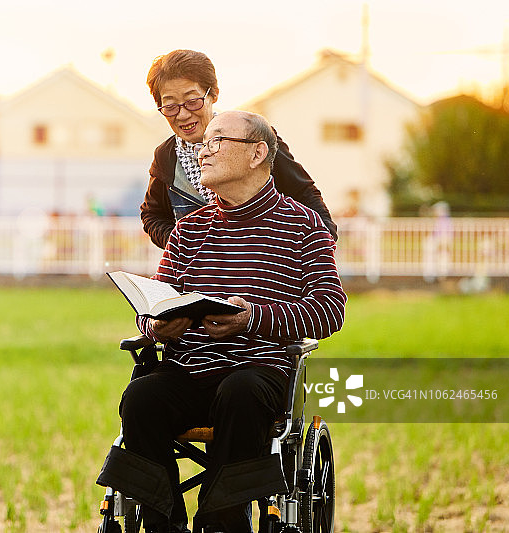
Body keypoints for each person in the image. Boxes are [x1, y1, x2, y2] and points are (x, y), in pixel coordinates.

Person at [117, 111, 346, 532]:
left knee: (240, 391)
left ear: (258, 153)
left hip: (257, 374)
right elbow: (157, 303)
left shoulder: (302, 225)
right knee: (141, 399)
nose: (204, 149)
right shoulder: (187, 231)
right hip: (191, 370)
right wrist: (157, 326)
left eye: (218, 140)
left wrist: (251, 318)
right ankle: (163, 525)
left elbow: (331, 309)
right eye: (205, 142)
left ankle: (223, 524)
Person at [141, 49, 337, 249]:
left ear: (213, 94)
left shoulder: (252, 137)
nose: (182, 115)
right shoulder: (166, 156)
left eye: (192, 101)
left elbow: (302, 192)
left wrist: (324, 239)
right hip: (200, 277)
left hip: (262, 263)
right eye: (171, 106)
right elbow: (152, 215)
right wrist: (181, 246)